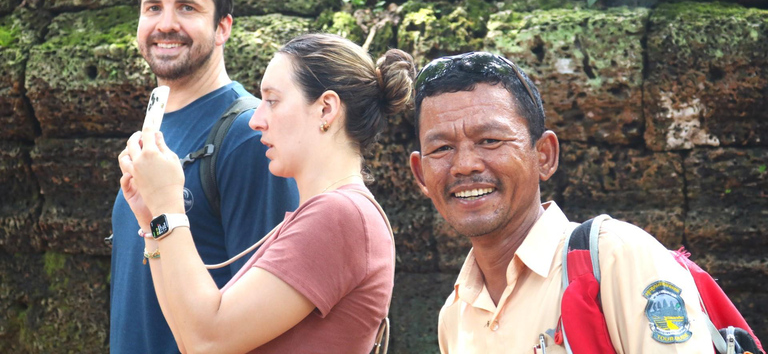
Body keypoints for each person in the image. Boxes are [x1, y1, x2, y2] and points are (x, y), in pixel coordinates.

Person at [118, 33, 415, 353]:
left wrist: (167, 202)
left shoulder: (339, 215)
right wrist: (152, 222)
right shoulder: (324, 214)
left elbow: (207, 340)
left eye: (272, 101)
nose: (256, 120)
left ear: (326, 109)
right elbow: (189, 336)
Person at [408, 51, 715, 353]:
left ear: (544, 156)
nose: (464, 165)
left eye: (490, 140)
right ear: (421, 175)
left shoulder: (616, 259)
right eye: (442, 148)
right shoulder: (454, 316)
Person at [110, 0, 299, 354]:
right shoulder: (153, 129)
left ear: (222, 27)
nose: (166, 24)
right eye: (153, 8)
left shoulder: (251, 137)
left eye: (187, 8)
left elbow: (263, 321)